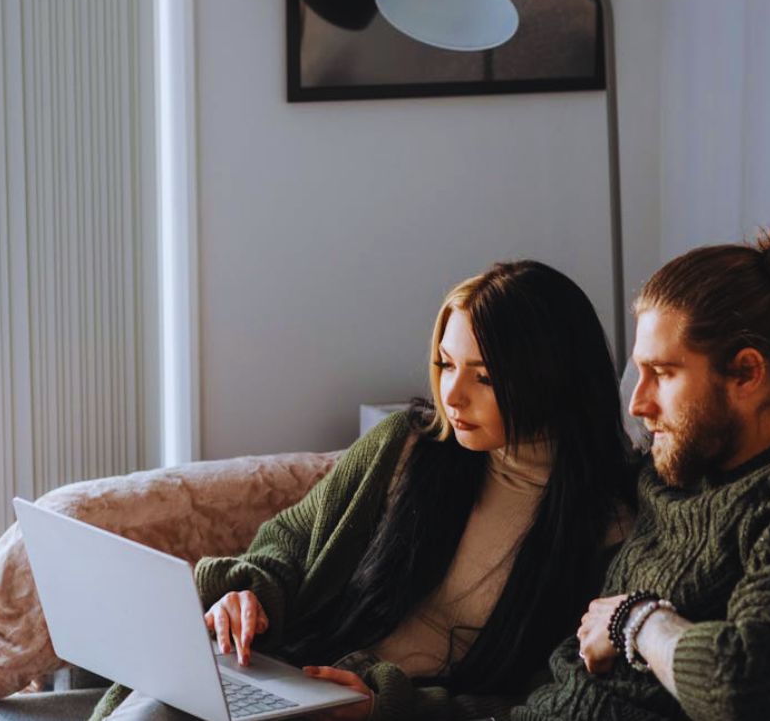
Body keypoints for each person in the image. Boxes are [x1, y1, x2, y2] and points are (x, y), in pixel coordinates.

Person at [93, 260, 635, 721]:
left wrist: (385, 704)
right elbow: (290, 538)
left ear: (553, 378)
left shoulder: (605, 529)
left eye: (484, 377)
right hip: (297, 671)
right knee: (158, 706)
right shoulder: (405, 447)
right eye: (446, 365)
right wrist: (250, 593)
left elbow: (543, 696)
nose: (452, 394)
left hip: (381, 712)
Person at [514, 201, 770, 721]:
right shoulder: (688, 463)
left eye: (663, 374)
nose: (638, 403)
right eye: (638, 373)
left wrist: (636, 621)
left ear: (745, 374)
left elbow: (751, 684)